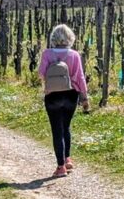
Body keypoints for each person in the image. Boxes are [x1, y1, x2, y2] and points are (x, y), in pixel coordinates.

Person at [37, 24, 90, 179]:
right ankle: (67, 159)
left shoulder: (47, 54)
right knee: (66, 127)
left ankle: (60, 167)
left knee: (56, 130)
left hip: (52, 95)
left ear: (53, 38)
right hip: (70, 94)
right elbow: (80, 77)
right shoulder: (74, 55)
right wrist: (85, 97)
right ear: (70, 38)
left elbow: (41, 73)